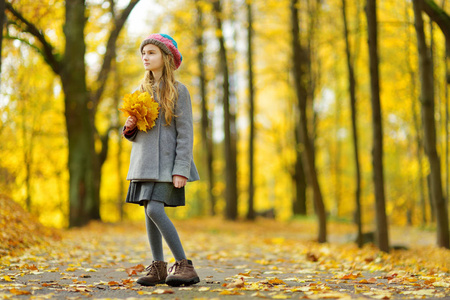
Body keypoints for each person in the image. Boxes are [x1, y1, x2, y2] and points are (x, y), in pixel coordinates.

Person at [122, 33, 200, 287]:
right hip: (143, 163)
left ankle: (184, 265)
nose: (145, 57)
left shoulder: (179, 91)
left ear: (167, 58)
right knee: (148, 212)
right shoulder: (139, 91)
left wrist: (181, 169)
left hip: (168, 165)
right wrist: (130, 127)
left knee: (155, 209)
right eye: (143, 53)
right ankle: (158, 267)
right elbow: (136, 136)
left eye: (152, 52)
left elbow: (185, 134)